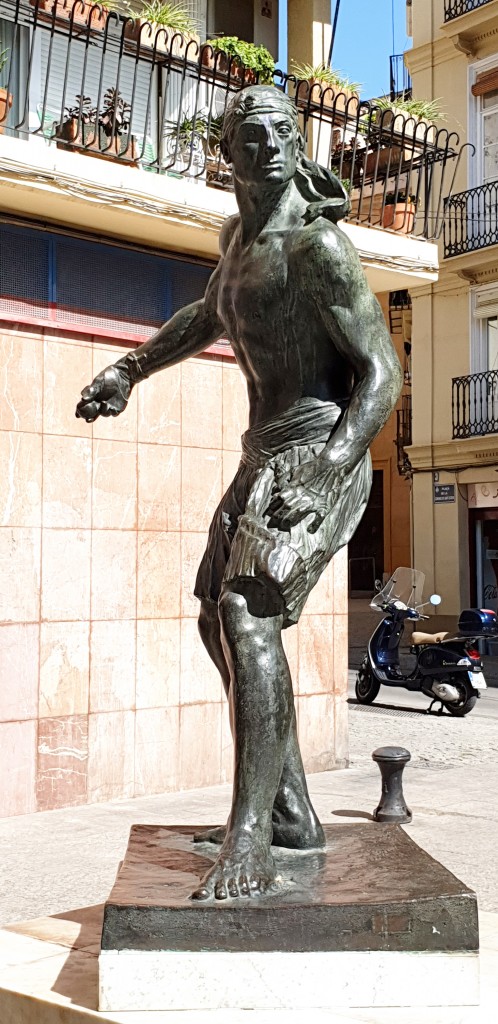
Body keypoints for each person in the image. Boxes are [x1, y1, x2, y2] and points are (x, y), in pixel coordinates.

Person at [76, 85, 403, 901]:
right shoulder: (239, 242)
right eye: (246, 137)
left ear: (295, 146)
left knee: (245, 615)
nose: (262, 149)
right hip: (263, 454)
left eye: (276, 135)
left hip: (320, 450)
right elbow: (210, 311)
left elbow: (381, 373)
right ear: (228, 150)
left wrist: (328, 468)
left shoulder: (316, 246)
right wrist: (129, 368)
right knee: (211, 619)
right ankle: (289, 809)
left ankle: (253, 838)